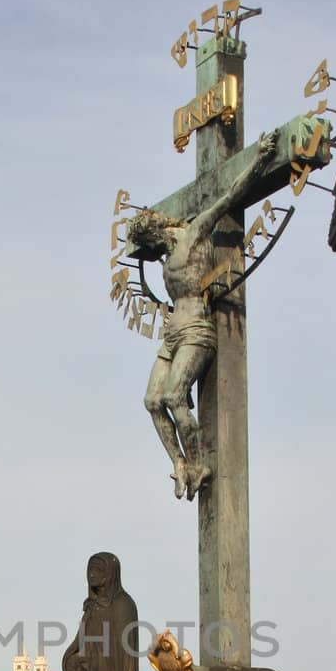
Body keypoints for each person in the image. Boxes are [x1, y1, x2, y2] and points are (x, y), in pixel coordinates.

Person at [127, 132, 277, 500]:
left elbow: (230, 196)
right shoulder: (164, 254)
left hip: (196, 325)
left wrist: (259, 159)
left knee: (175, 397)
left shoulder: (193, 233)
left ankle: (199, 463)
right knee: (151, 400)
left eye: (151, 243)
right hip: (173, 331)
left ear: (159, 232)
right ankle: (179, 462)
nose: (151, 251)